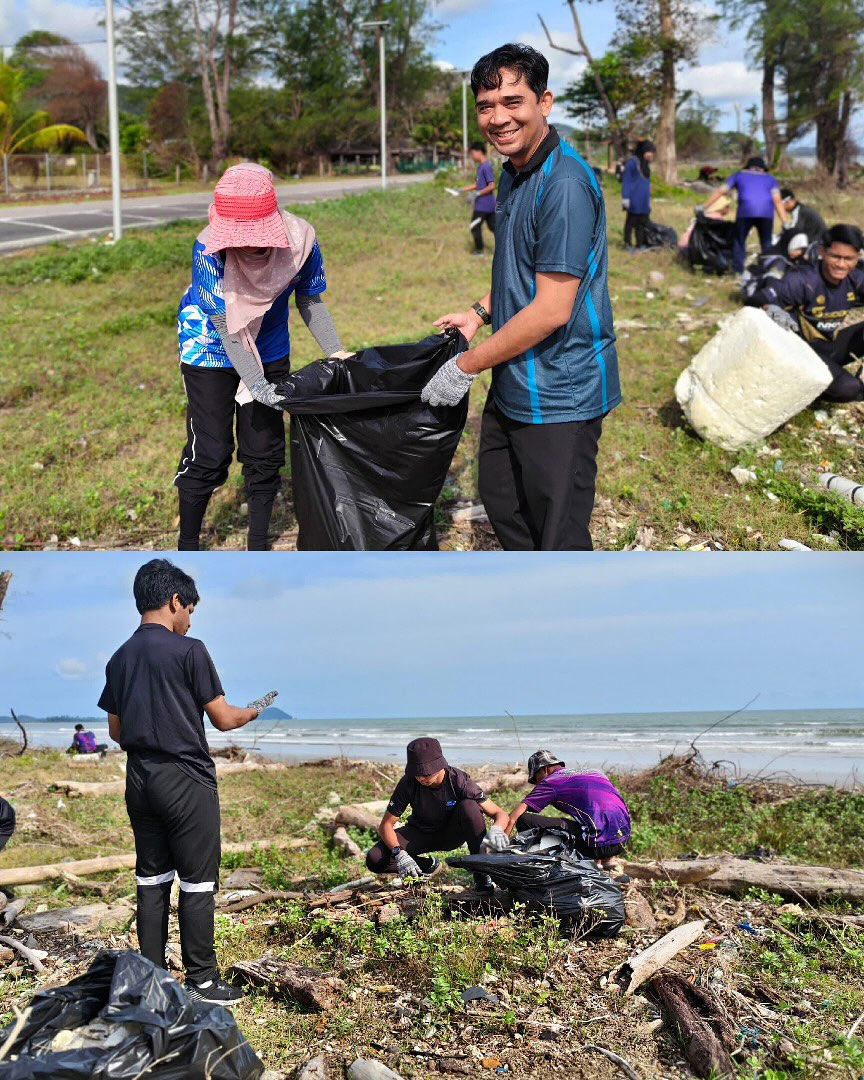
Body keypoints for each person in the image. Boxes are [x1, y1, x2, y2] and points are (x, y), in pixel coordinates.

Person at [426, 43, 621, 551]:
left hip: (561, 389)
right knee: (503, 499)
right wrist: (478, 313)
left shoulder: (564, 184)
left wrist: (465, 366)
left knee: (557, 533)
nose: (498, 118)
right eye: (486, 106)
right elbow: (522, 269)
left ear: (544, 102)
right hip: (516, 377)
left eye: (513, 101)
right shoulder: (514, 172)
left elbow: (552, 308)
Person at [98, 558, 277, 1005]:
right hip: (185, 778)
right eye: (190, 610)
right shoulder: (190, 650)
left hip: (139, 778)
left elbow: (116, 731)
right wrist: (256, 709)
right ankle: (202, 981)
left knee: (151, 879)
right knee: (197, 881)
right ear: (175, 600)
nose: (190, 620)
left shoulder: (119, 658)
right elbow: (224, 719)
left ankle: (152, 980)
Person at [174, 162, 350, 551]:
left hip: (269, 347)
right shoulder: (208, 248)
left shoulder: (301, 242)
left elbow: (310, 299)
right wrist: (256, 385)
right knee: (211, 451)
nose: (246, 245)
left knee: (264, 450)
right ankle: (187, 546)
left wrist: (335, 351)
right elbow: (225, 325)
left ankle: (257, 546)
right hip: (209, 346)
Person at [366, 738, 511, 893]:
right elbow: (386, 825)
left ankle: (482, 874)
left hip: (451, 834)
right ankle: (426, 866)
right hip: (421, 832)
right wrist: (400, 854)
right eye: (417, 773)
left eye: (426, 773)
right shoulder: (409, 782)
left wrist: (497, 829)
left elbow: (500, 814)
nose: (421, 778)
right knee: (375, 858)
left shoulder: (458, 780)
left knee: (469, 806)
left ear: (440, 765)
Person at [749, 223, 864, 402]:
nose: (841, 265)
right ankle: (800, 387)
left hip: (829, 346)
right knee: (849, 388)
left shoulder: (856, 278)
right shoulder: (802, 280)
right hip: (801, 352)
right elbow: (756, 299)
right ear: (822, 252)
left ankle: (829, 376)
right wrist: (770, 308)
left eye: (848, 258)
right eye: (835, 256)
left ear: (858, 257)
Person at [506, 751, 631, 866]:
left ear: (544, 770)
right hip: (622, 842)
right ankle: (606, 859)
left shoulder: (550, 781)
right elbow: (610, 807)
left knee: (524, 820)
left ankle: (547, 862)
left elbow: (513, 818)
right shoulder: (595, 773)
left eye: (535, 779)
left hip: (597, 848)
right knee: (593, 818)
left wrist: (499, 846)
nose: (537, 784)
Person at [702, 156, 790, 274]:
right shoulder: (770, 179)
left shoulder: (738, 175)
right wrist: (784, 221)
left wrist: (704, 206)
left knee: (739, 241)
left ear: (748, 167)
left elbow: (721, 190)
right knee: (766, 243)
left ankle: (738, 271)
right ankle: (768, 271)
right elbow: (777, 200)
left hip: (745, 213)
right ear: (763, 168)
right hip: (766, 214)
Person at [461, 141, 496, 255]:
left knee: (474, 226)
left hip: (483, 206)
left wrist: (476, 194)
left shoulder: (486, 167)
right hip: (488, 206)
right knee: (494, 228)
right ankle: (505, 249)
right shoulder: (480, 167)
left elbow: (492, 186)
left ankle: (479, 251)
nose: (471, 156)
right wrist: (461, 190)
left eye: (472, 153)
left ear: (479, 152)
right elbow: (477, 184)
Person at [621, 140, 655, 251]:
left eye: (652, 152)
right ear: (643, 150)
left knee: (642, 223)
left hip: (644, 200)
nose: (651, 154)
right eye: (649, 151)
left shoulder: (645, 164)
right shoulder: (632, 162)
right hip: (634, 199)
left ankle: (640, 244)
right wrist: (625, 198)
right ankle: (627, 244)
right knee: (631, 222)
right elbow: (626, 181)